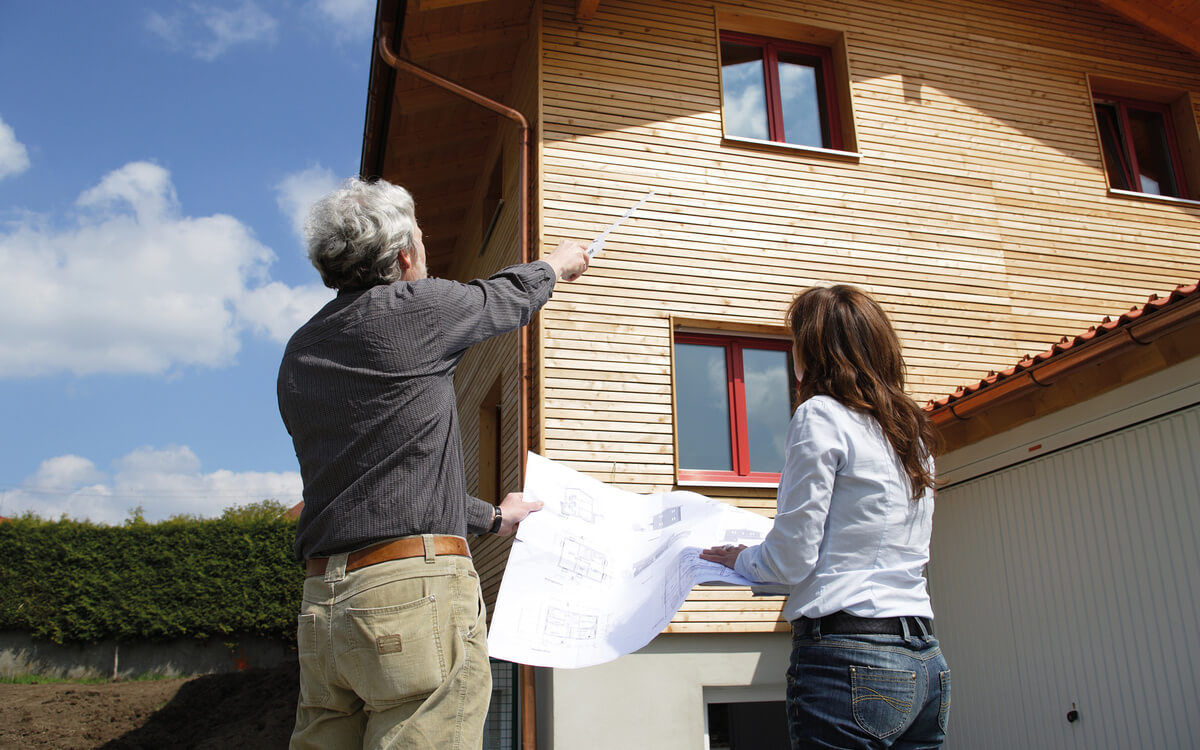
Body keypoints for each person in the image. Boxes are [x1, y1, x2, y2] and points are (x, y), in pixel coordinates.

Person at [277, 177, 590, 749]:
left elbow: (388, 486)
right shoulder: (417, 309)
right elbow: (503, 297)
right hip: (410, 599)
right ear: (402, 255)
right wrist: (558, 264)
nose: (427, 248)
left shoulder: (301, 349)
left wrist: (496, 518)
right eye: (421, 237)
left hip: (324, 605)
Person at [700, 285, 950, 750]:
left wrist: (740, 559)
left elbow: (790, 560)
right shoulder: (911, 435)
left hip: (847, 658)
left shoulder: (820, 415)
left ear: (812, 353)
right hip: (924, 659)